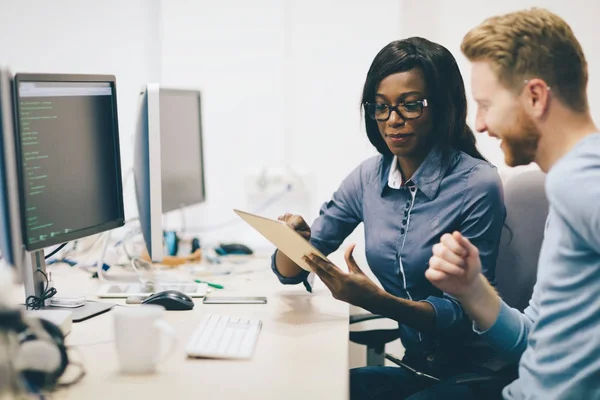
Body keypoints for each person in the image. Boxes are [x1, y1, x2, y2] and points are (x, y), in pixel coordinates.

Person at [272, 37, 506, 399]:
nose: (393, 120)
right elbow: (294, 271)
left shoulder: (477, 184)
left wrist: (380, 302)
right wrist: (292, 240)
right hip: (420, 365)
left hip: (474, 373)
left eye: (411, 106)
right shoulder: (368, 177)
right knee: (313, 389)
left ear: (442, 106)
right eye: (380, 107)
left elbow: (469, 312)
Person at [425, 8, 600, 400]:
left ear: (535, 96)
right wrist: (471, 289)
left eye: (486, 105)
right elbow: (534, 341)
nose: (481, 124)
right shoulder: (567, 185)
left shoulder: (582, 181)